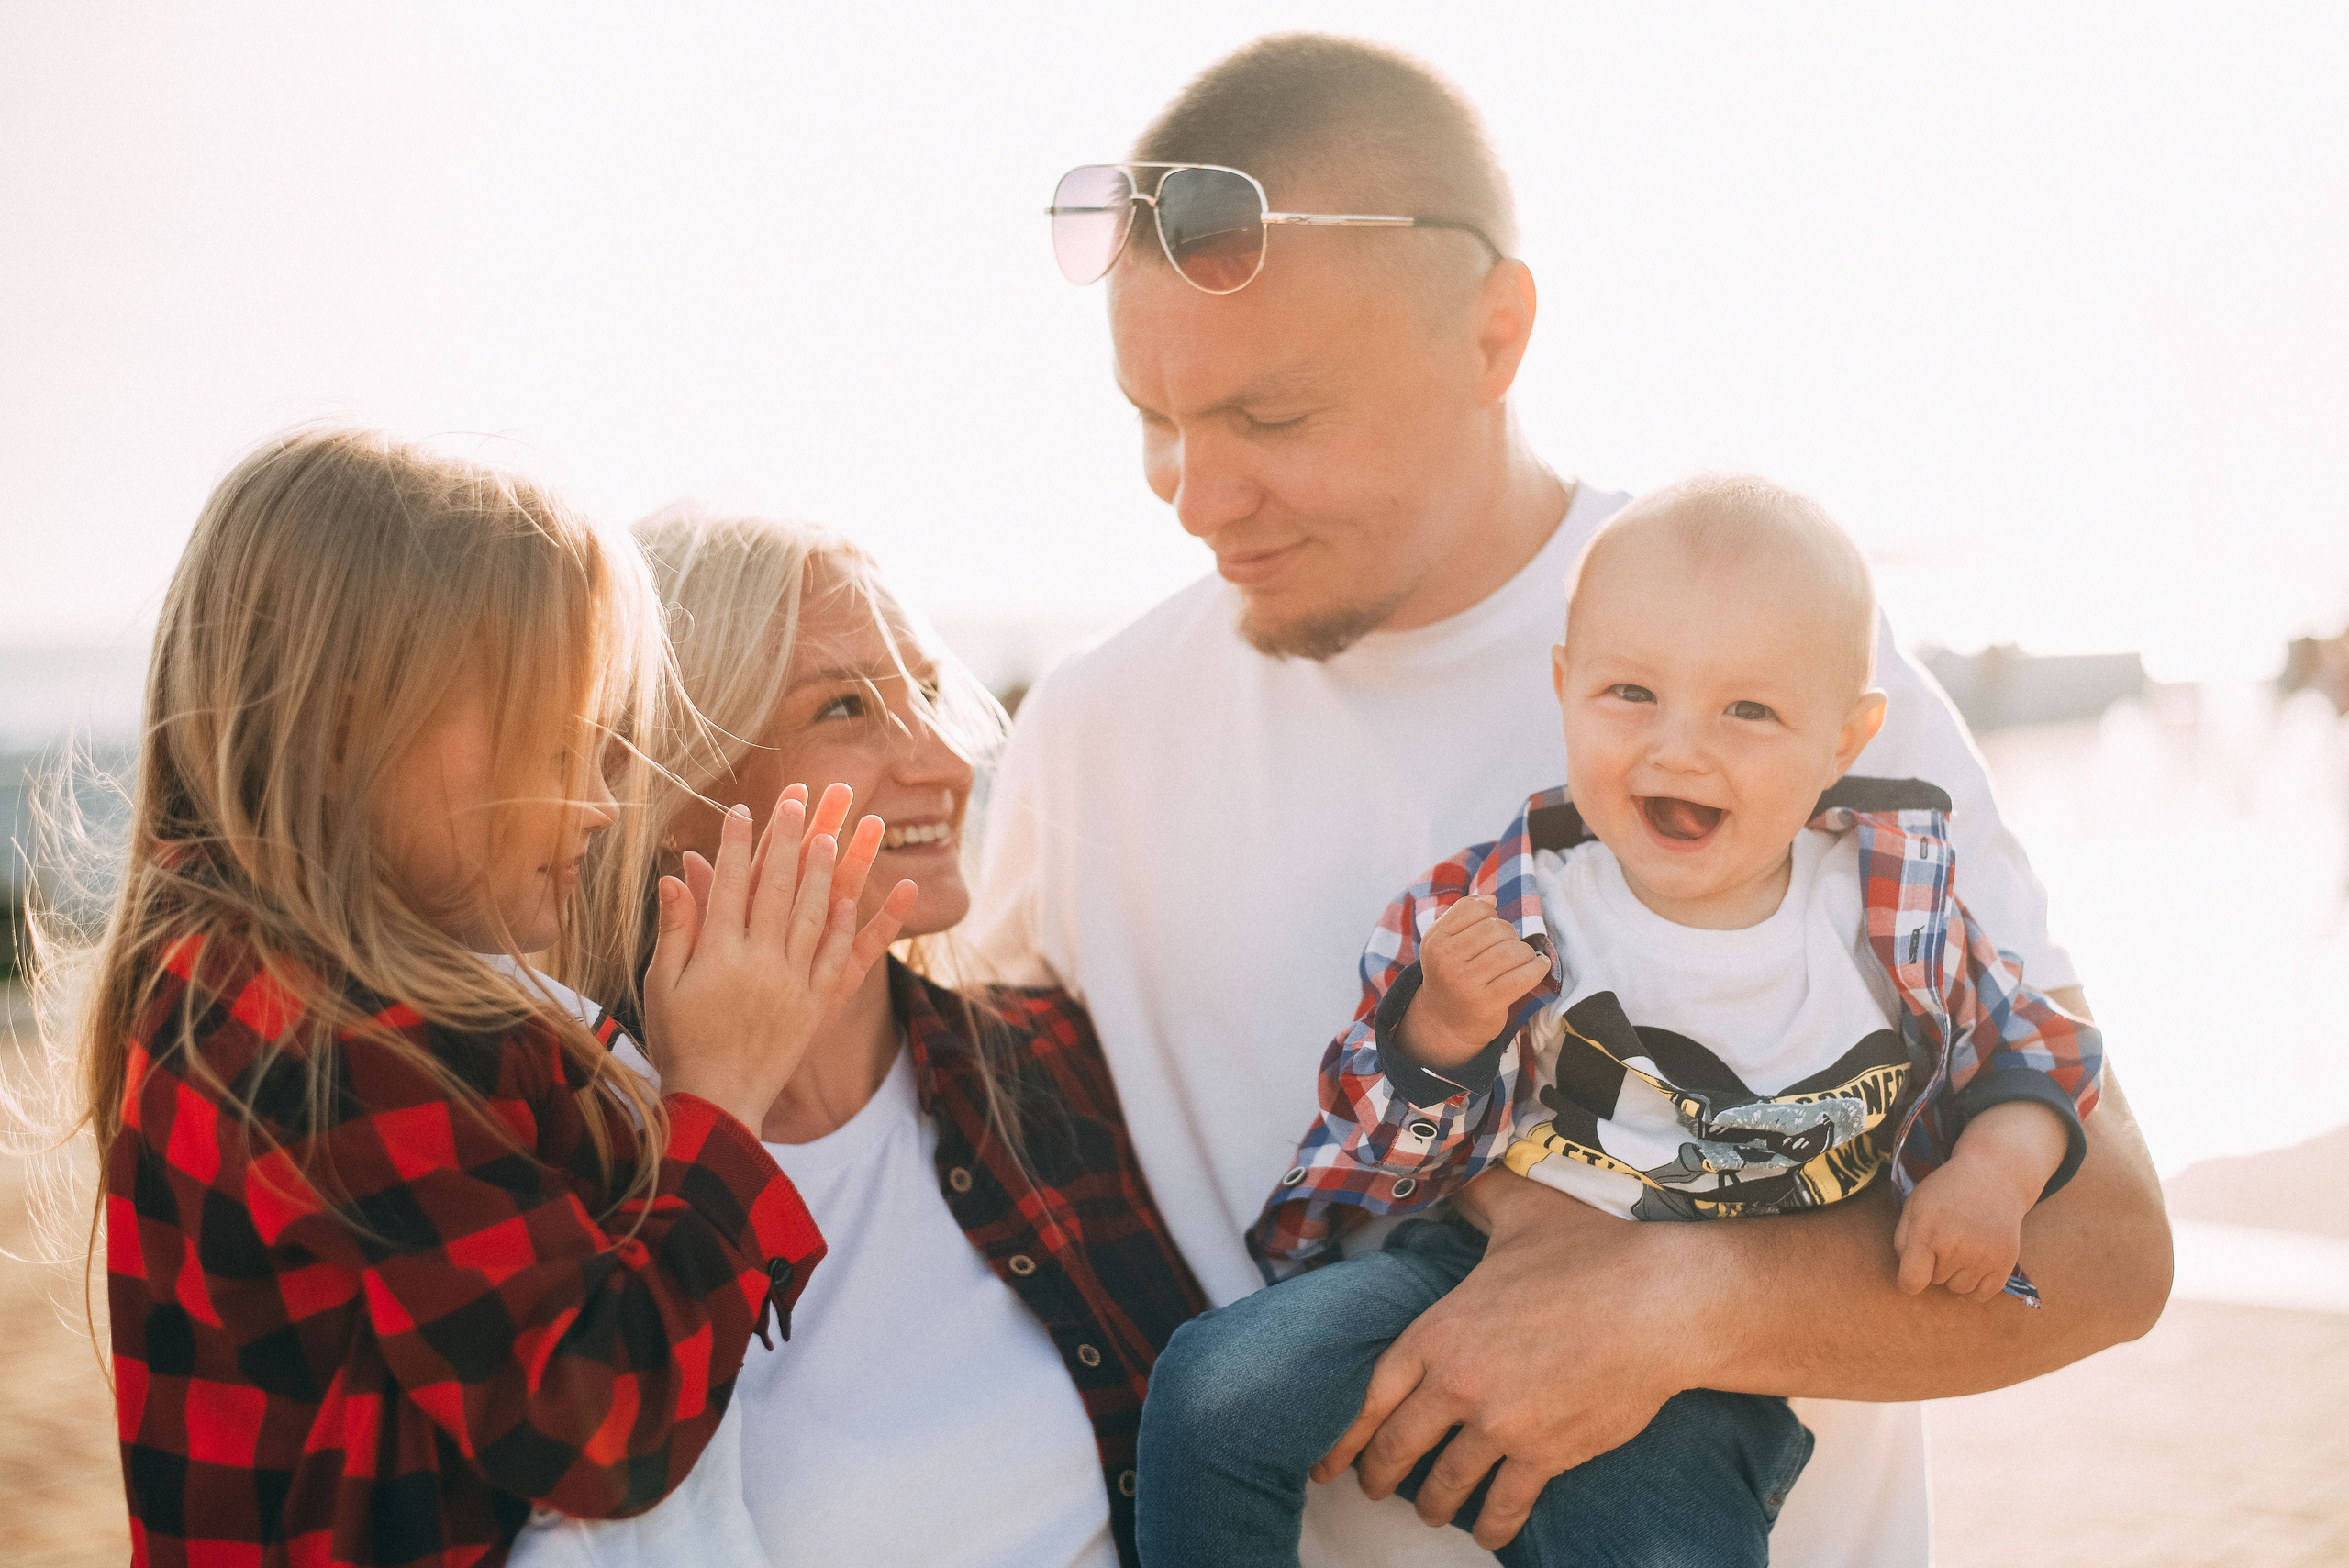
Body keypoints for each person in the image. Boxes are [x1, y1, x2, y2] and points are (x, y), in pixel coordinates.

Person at [974, 34, 2171, 1568]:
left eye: (1270, 421)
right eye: (1156, 419)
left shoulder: (1773, 664)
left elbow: (2109, 1247)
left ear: (1495, 333)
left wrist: (1675, 1300)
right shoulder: (1089, 737)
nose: (1200, 498)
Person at [1136, 477, 2105, 1565]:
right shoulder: (1512, 898)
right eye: (1630, 692)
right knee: (1211, 1386)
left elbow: (2036, 1048)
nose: (1677, 749)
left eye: (1748, 710)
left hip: (1706, 1364)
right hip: (1465, 1274)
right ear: (1563, 686)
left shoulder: (1892, 911)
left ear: (1845, 737)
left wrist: (1993, 1172)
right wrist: (1442, 1029)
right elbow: (1383, 1129)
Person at [81, 429, 903, 1567]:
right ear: (344, 735)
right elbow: (603, 1425)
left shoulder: (236, 985)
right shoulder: (326, 1045)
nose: (601, 804)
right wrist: (721, 1094)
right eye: (559, 739)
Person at [508, 508, 1204, 1568]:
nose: (940, 759)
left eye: (924, 693)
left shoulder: (1047, 1066)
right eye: (845, 708)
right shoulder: (554, 1153)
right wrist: (719, 1109)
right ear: (676, 791)